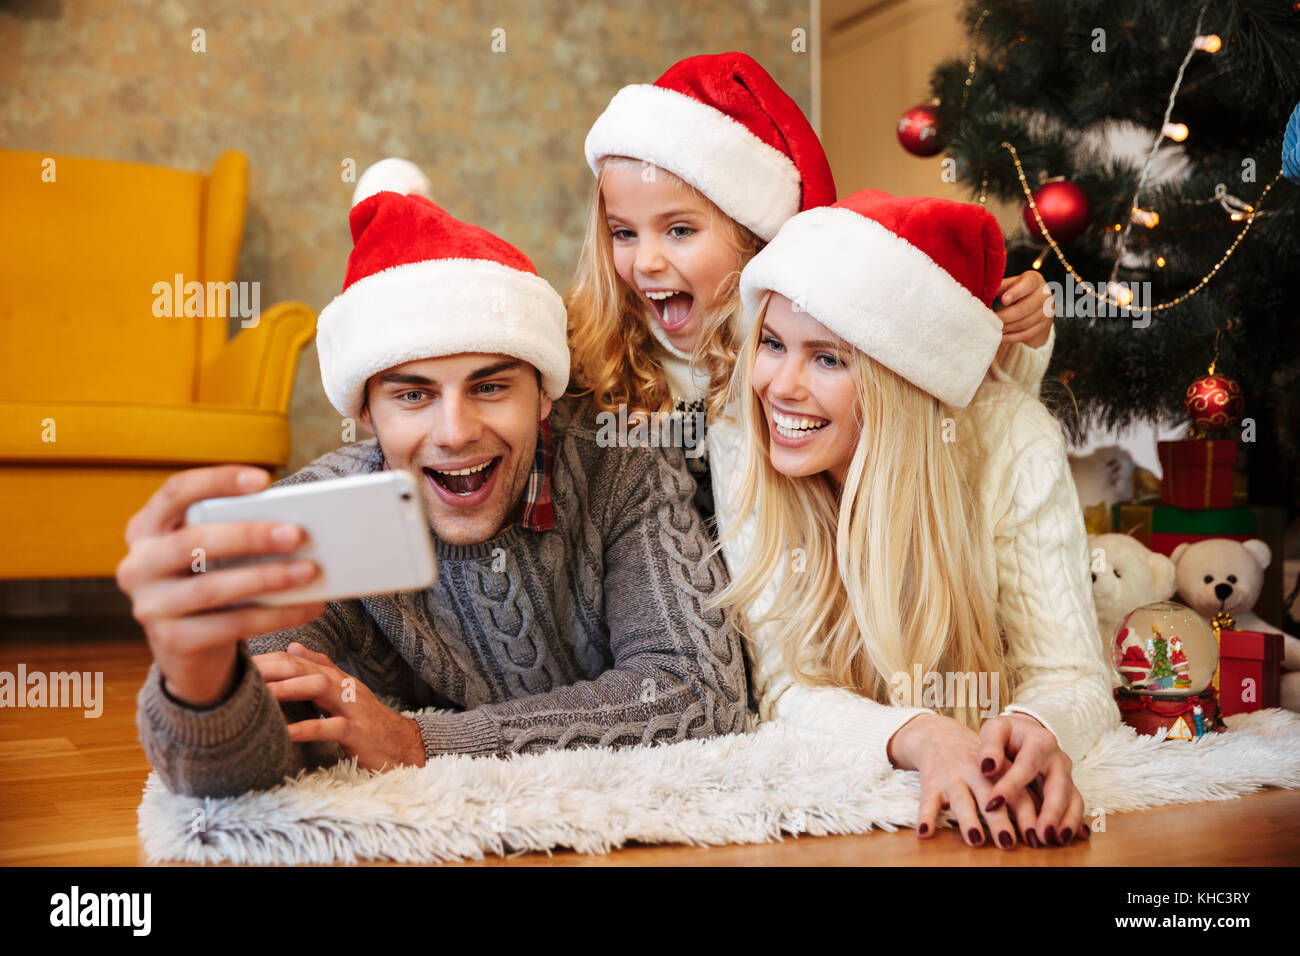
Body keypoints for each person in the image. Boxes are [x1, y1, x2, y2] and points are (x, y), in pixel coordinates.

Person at [122, 160, 747, 799]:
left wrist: (424, 743)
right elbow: (242, 770)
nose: (455, 432)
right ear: (366, 414)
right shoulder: (322, 521)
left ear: (542, 395)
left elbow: (698, 692)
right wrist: (198, 682)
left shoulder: (622, 461)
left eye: (492, 385)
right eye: (413, 396)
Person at [715, 188, 1120, 850]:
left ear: (900, 375)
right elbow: (785, 688)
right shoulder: (742, 444)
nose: (780, 387)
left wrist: (1033, 729)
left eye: (827, 358)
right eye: (771, 343)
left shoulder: (1013, 444)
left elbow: (1073, 675)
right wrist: (923, 735)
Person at [567, 51, 1057, 525]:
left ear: (752, 236)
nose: (646, 262)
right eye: (623, 233)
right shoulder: (594, 358)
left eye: (680, 231)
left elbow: (959, 421)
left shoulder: (812, 349)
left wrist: (1021, 340)